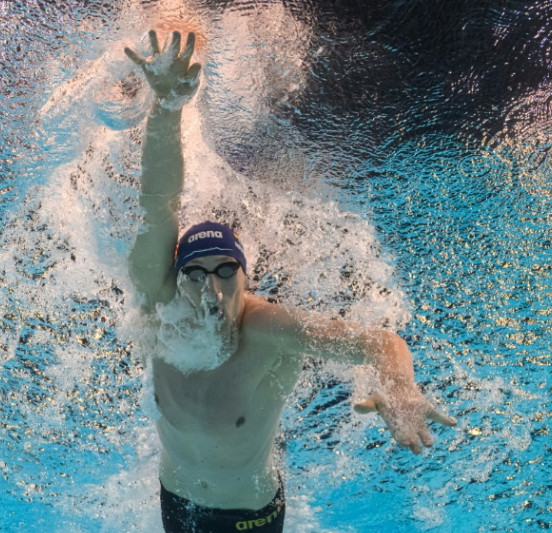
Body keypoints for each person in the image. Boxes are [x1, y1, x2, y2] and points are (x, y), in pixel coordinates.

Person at [123, 29, 457, 533]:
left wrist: (399, 385)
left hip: (247, 518)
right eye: (194, 273)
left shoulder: (268, 329)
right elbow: (157, 202)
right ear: (176, 275)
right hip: (175, 502)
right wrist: (167, 108)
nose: (211, 288)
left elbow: (378, 342)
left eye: (225, 271)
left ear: (246, 277)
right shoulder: (161, 302)